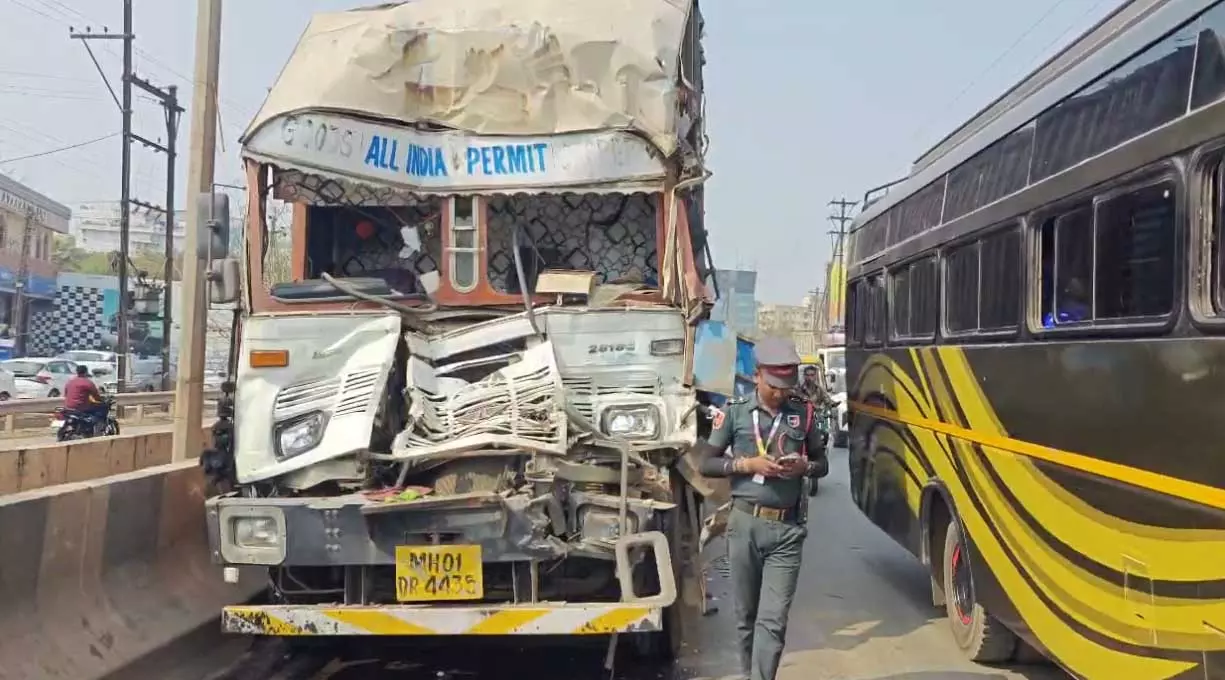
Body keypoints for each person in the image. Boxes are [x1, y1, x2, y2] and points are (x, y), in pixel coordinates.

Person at [695, 336, 829, 680]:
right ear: (757, 375)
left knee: (773, 621)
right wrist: (746, 465)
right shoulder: (735, 413)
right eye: (774, 386)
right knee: (745, 618)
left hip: (787, 531)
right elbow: (705, 464)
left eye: (786, 386)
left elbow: (822, 463)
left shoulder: (804, 413)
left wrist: (805, 468)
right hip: (744, 528)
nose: (780, 393)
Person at [63, 364, 106, 431]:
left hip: (68, 407)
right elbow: (96, 396)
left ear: (77, 372)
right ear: (86, 372)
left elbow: (66, 394)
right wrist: (101, 401)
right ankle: (96, 428)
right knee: (101, 409)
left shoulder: (70, 382)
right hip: (80, 407)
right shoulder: (87, 383)